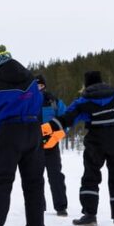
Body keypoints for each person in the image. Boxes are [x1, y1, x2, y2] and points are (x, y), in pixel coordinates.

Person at [41, 71, 114, 226]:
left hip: (96, 141)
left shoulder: (83, 101)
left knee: (91, 177)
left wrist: (46, 128)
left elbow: (67, 119)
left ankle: (89, 216)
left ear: (86, 85)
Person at [0, 45, 46, 226]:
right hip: (33, 130)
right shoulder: (31, 81)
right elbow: (38, 102)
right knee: (34, 181)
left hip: (10, 132)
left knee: (3, 181)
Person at [35, 74, 68, 216]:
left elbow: (65, 121)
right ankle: (38, 206)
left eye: (41, 86)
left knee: (56, 176)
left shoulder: (54, 101)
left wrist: (55, 138)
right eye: (35, 86)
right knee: (35, 178)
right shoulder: (28, 102)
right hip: (34, 146)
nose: (38, 89)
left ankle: (61, 207)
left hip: (52, 146)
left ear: (45, 86)